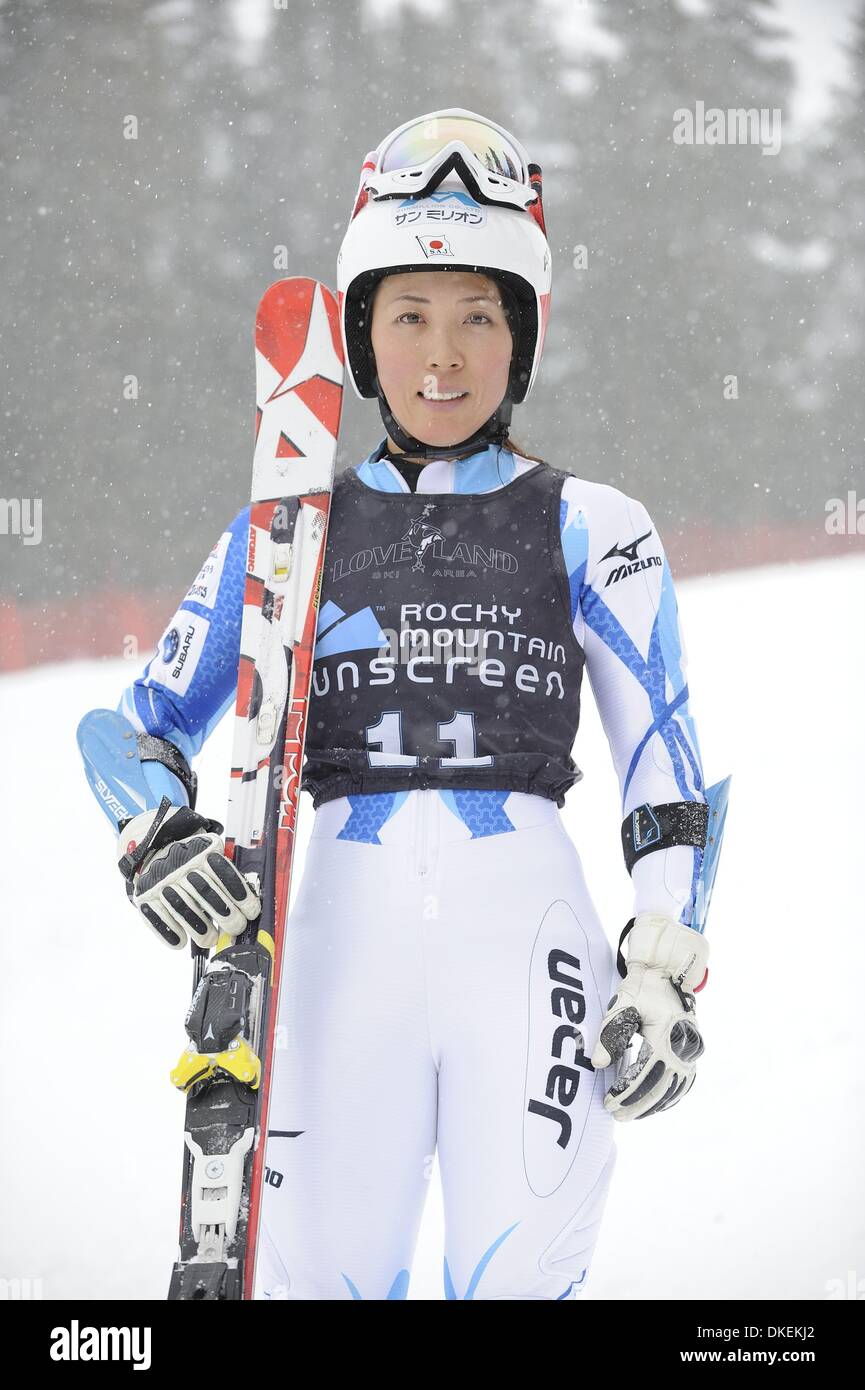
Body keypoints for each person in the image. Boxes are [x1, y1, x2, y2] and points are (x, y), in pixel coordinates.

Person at [78, 109, 720, 1301]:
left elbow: (664, 769)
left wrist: (664, 958)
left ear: (520, 339)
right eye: (408, 315)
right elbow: (130, 725)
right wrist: (150, 832)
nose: (442, 355)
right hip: (333, 969)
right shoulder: (287, 530)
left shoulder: (594, 525)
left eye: (479, 315)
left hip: (532, 962)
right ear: (361, 335)